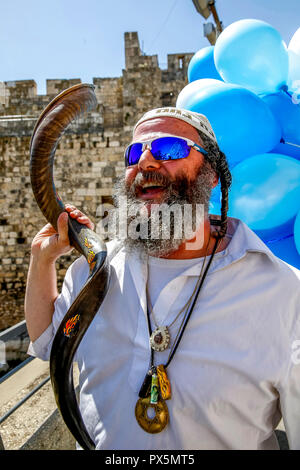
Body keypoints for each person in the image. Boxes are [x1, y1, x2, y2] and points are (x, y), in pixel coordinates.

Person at [25, 107, 300, 450]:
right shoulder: (92, 272)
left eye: (170, 149)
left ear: (212, 173)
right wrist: (42, 259)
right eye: (134, 153)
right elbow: (48, 342)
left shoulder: (286, 293)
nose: (146, 163)